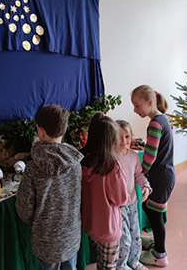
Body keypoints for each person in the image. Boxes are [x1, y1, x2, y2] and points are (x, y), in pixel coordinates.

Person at [15, 105, 83, 269]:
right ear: (64, 129)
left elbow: (24, 208)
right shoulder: (75, 163)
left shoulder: (33, 168)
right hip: (71, 235)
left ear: (40, 130)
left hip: (45, 239)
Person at [131, 85, 175, 267]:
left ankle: (160, 254)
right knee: (151, 210)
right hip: (164, 176)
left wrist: (139, 172)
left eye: (137, 106)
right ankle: (157, 244)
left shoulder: (155, 123)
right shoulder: (162, 119)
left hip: (160, 177)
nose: (135, 110)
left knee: (155, 217)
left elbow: (150, 156)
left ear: (150, 102)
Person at [81, 112, 129, 270]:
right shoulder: (111, 166)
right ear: (111, 140)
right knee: (108, 265)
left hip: (90, 223)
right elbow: (121, 199)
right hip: (108, 228)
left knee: (101, 259)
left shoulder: (83, 160)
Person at [115, 120, 152, 270]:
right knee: (124, 239)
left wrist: (145, 186)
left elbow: (138, 174)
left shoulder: (133, 156)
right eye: (119, 137)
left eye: (127, 137)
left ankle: (134, 261)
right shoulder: (111, 157)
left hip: (132, 203)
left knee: (136, 235)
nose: (124, 141)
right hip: (118, 206)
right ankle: (121, 266)